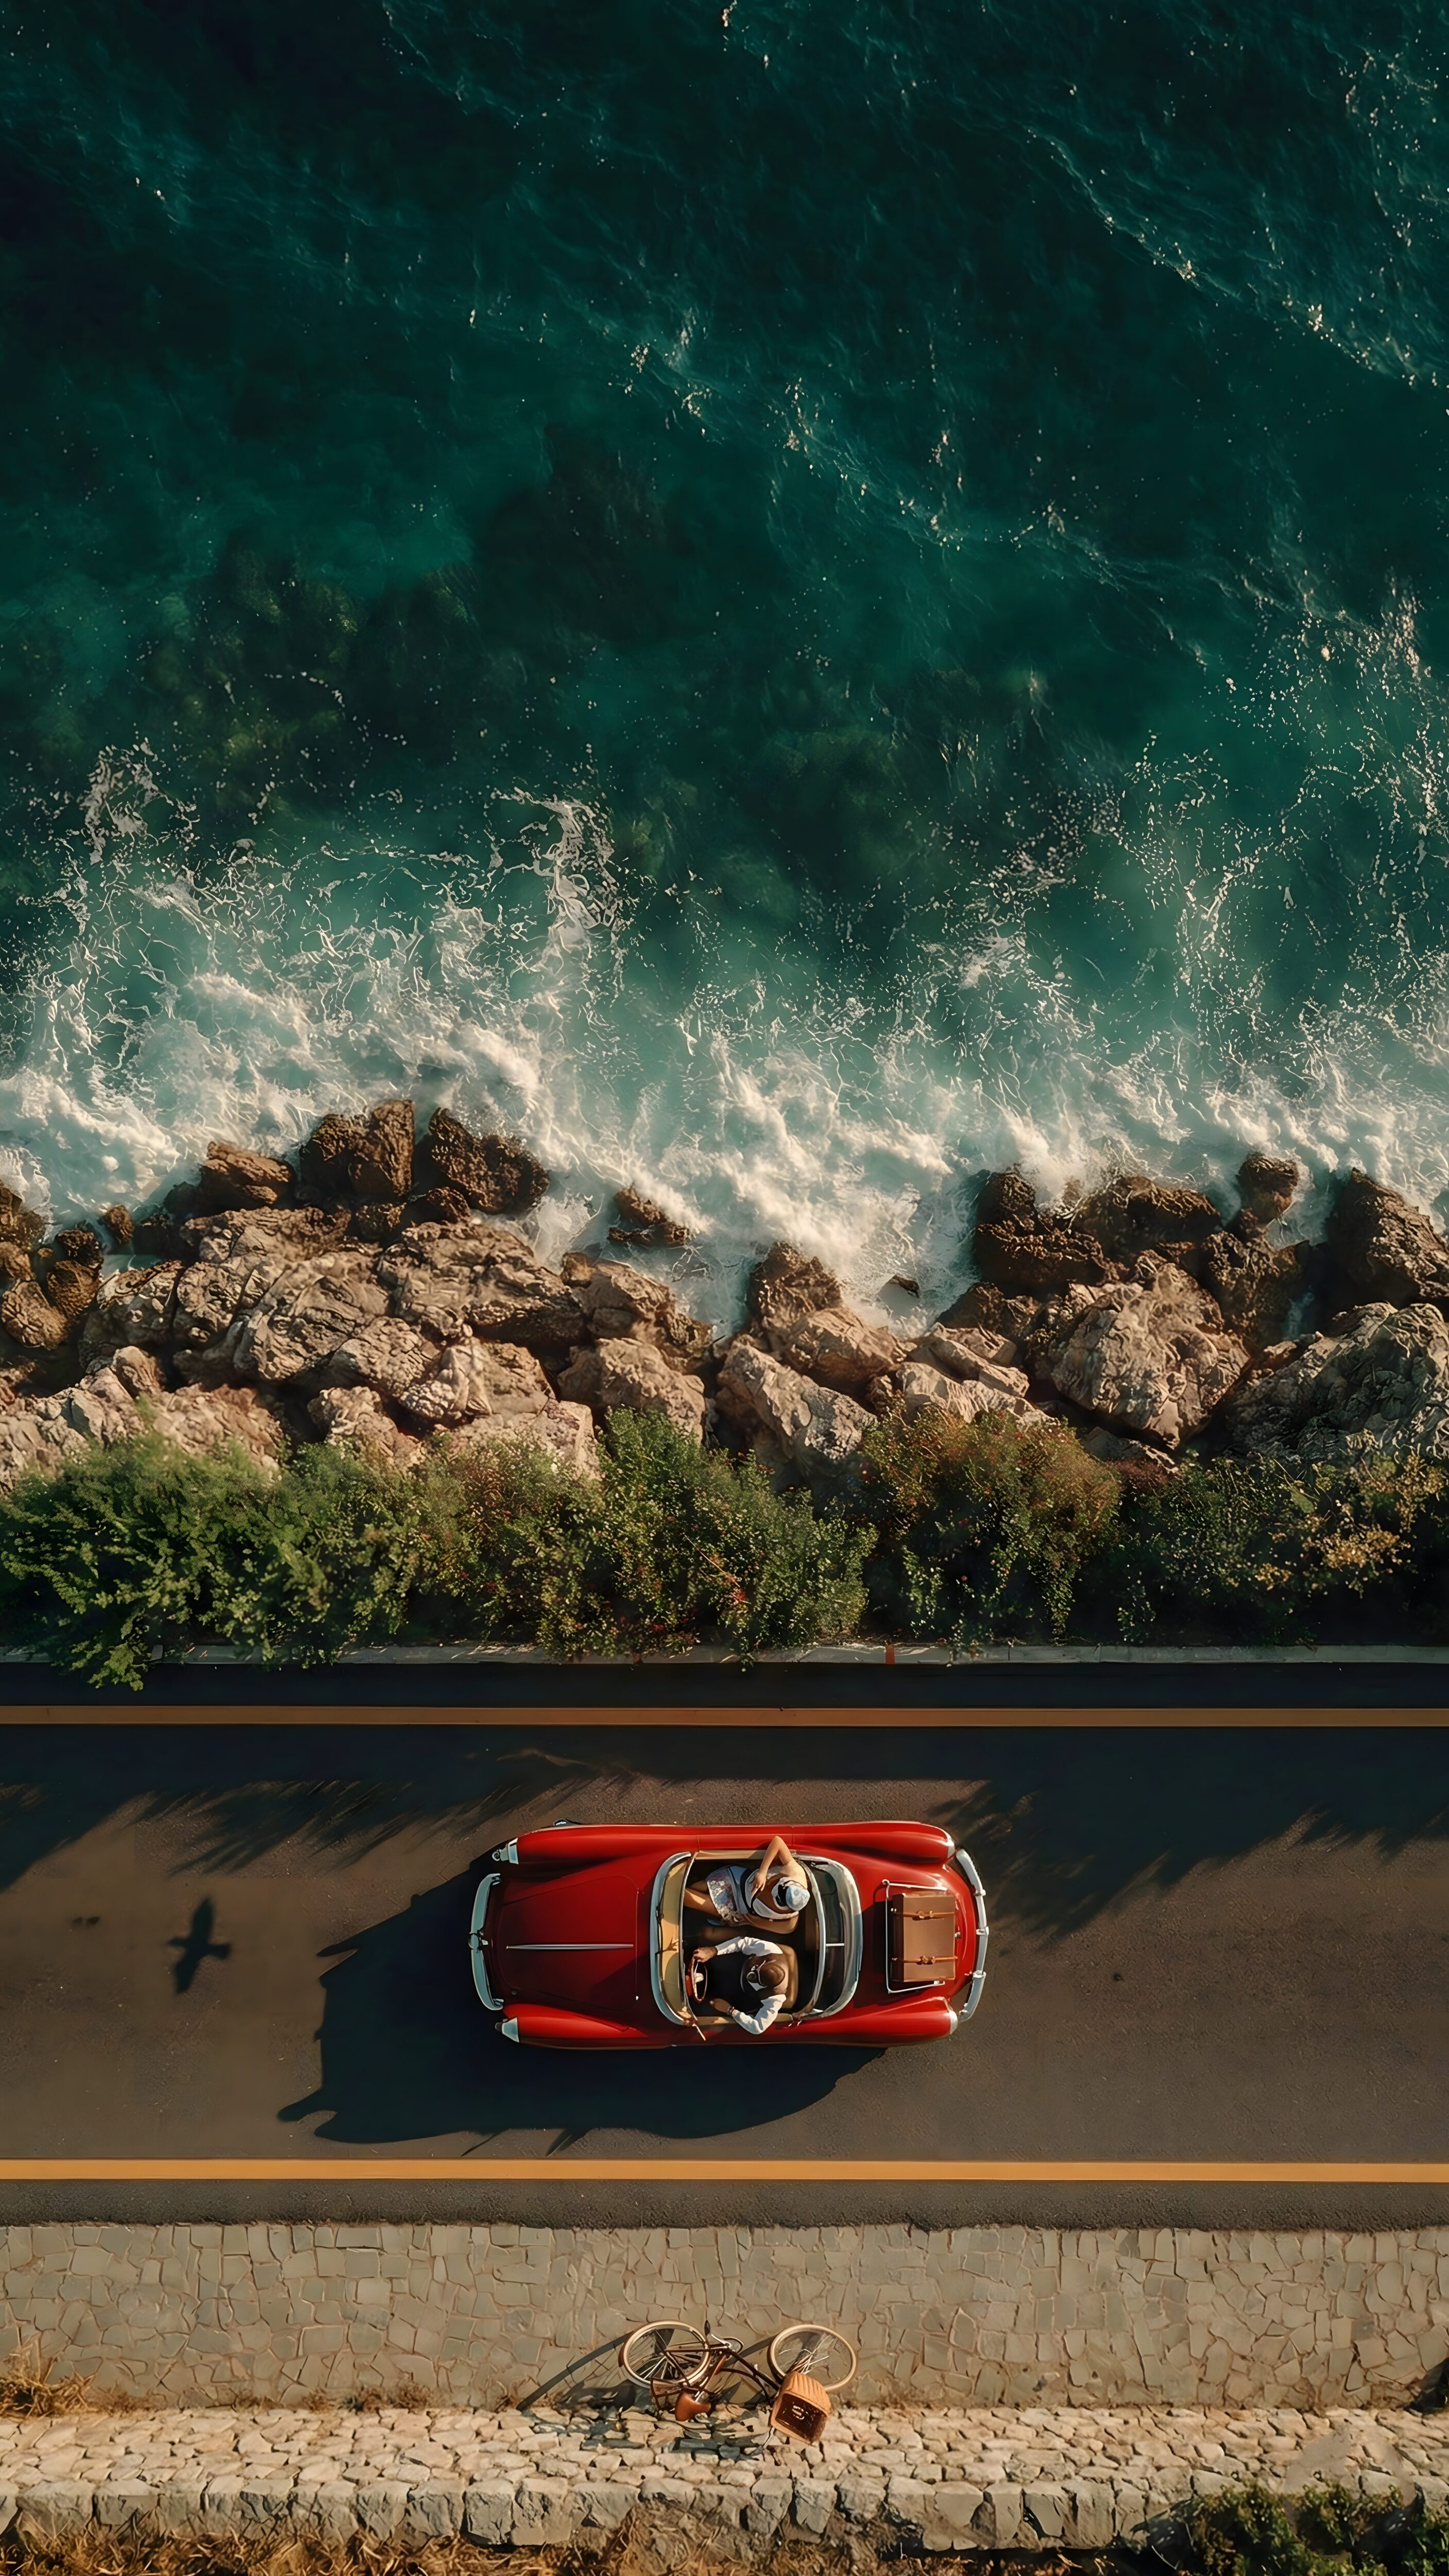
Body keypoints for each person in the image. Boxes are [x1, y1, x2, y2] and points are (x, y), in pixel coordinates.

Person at [684, 1832, 810, 1933]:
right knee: (697, 1887)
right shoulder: (795, 1873)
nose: (775, 1892)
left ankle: (671, 1896)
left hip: (736, 1907)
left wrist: (744, 1920)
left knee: (690, 1900)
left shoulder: (788, 1922)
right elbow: (778, 1841)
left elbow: (757, 1923)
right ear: (792, 1884)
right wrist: (762, 1872)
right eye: (783, 1887)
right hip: (737, 1879)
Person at [694, 1936, 791, 2037]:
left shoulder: (776, 1998)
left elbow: (758, 2028)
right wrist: (713, 1951)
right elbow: (742, 1942)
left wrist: (731, 2011)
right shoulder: (771, 1950)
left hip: (734, 1995)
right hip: (732, 1966)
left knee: (705, 2012)